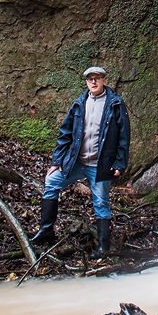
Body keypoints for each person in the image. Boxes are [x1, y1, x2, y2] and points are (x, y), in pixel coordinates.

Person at [30, 66, 130, 256]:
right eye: (90, 79)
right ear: (86, 82)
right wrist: (56, 161)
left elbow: (124, 137)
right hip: (76, 162)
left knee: (101, 203)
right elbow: (65, 133)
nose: (93, 82)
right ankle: (46, 231)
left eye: (97, 78)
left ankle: (103, 247)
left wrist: (119, 163)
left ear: (104, 80)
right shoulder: (79, 103)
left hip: (100, 165)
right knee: (51, 181)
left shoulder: (115, 104)